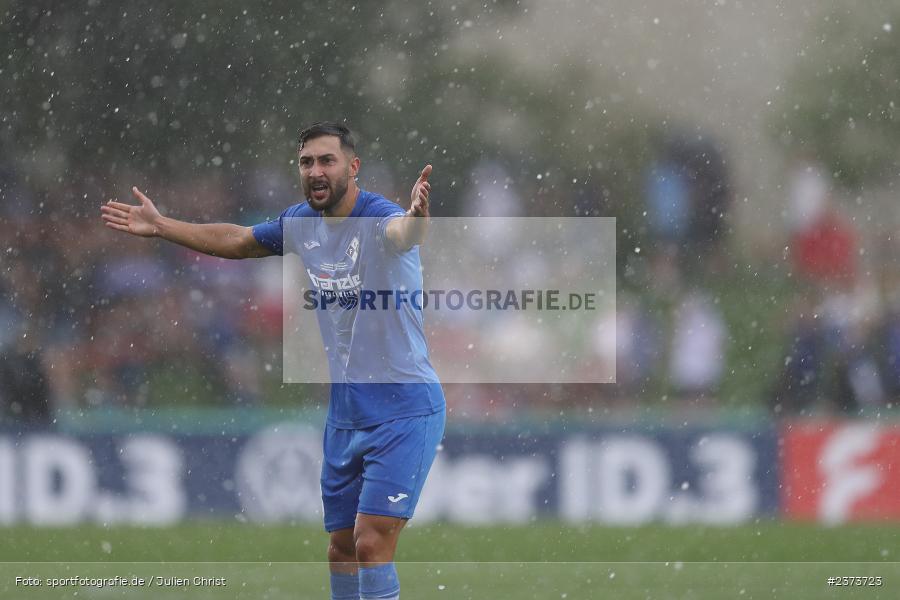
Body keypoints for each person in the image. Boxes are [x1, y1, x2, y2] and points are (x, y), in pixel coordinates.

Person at [100, 121, 445, 600]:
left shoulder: (379, 217)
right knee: (341, 549)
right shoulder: (302, 223)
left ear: (353, 166)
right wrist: (162, 227)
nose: (316, 171)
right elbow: (240, 241)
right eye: (307, 162)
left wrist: (418, 215)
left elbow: (404, 233)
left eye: (327, 160)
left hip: (404, 409)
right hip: (347, 412)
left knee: (371, 542)